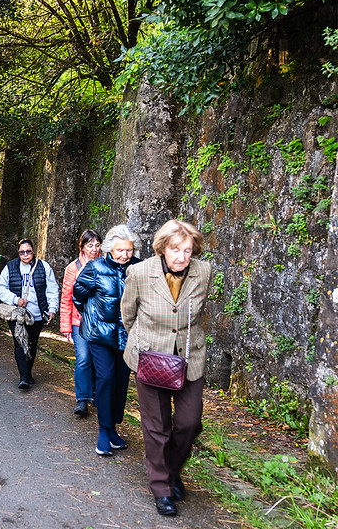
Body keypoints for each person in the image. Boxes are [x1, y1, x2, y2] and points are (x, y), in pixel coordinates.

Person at [121, 220, 213, 517]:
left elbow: (197, 313)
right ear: (163, 248)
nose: (181, 257)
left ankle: (172, 471)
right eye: (175, 250)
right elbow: (128, 315)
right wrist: (146, 342)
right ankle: (162, 488)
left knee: (189, 421)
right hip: (150, 359)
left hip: (189, 359)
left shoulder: (204, 272)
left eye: (187, 251)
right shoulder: (139, 272)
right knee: (156, 427)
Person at [73, 224, 141, 457]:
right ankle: (103, 430)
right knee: (105, 376)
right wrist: (93, 315)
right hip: (99, 334)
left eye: (129, 250)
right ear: (110, 249)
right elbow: (78, 294)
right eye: (120, 250)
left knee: (121, 381)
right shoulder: (95, 268)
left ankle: (112, 428)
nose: (125, 255)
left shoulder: (139, 268)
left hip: (126, 335)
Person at [0, 239, 59, 389]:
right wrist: (15, 299)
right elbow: (1, 287)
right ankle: (23, 377)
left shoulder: (44, 267)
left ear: (33, 251)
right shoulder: (10, 267)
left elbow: (52, 289)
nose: (25, 254)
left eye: (28, 251)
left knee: (32, 343)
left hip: (37, 314)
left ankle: (28, 372)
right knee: (19, 342)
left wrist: (52, 309)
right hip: (17, 314)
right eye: (22, 252)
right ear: (18, 253)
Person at [59, 229, 102, 417]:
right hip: (79, 321)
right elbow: (66, 298)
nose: (94, 249)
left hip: (101, 321)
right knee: (83, 358)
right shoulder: (73, 268)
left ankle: (95, 394)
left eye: (97, 245)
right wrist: (66, 327)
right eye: (89, 245)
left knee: (97, 359)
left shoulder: (106, 264)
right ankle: (82, 399)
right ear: (82, 247)